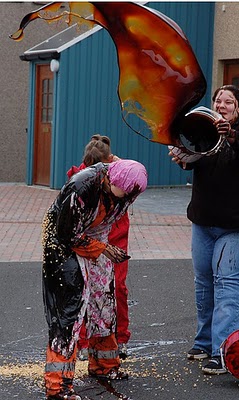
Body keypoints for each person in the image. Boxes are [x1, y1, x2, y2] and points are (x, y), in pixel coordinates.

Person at [169, 85, 239, 375]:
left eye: (229, 101)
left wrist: (230, 134)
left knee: (228, 284)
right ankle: (204, 342)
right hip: (204, 222)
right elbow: (193, 155)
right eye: (218, 100)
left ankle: (224, 351)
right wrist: (182, 158)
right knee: (204, 282)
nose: (221, 104)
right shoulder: (204, 128)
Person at [42, 159, 147, 399]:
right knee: (69, 313)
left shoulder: (127, 189)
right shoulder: (81, 187)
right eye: (125, 193)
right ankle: (58, 386)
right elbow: (66, 234)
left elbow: (107, 217)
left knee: (104, 305)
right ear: (111, 181)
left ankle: (104, 365)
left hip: (96, 243)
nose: (127, 199)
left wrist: (103, 248)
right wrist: (103, 248)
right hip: (63, 246)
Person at [67, 134, 131, 361]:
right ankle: (85, 341)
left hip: (115, 236)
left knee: (116, 288)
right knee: (84, 290)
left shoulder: (119, 173)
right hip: (88, 240)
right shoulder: (80, 180)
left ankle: (119, 338)